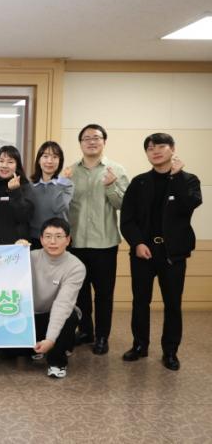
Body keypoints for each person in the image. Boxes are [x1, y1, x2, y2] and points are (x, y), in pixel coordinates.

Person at [120, 133, 202, 371]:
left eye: (161, 146)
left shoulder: (188, 180)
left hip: (173, 253)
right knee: (140, 302)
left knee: (173, 304)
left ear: (172, 149)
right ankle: (139, 345)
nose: (155, 151)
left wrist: (176, 176)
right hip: (143, 251)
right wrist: (137, 243)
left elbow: (189, 205)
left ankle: (170, 351)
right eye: (150, 148)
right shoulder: (139, 182)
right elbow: (127, 219)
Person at [69, 124, 128, 355]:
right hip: (76, 243)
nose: (91, 141)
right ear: (80, 143)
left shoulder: (116, 170)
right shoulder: (70, 171)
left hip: (104, 244)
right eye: (86, 138)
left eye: (96, 137)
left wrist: (111, 186)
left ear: (104, 141)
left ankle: (102, 337)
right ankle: (86, 331)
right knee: (80, 292)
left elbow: (123, 205)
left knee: (104, 294)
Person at [18, 218, 86, 378]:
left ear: (68, 240)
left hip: (56, 314)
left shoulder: (76, 267)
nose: (53, 241)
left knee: (69, 315)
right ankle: (41, 346)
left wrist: (50, 339)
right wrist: (16, 253)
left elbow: (62, 305)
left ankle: (57, 362)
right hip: (32, 316)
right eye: (48, 236)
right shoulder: (30, 257)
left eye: (58, 236)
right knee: (10, 353)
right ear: (41, 239)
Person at [0, 145, 34, 245]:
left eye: (10, 162)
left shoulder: (25, 186)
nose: (4, 165)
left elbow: (24, 217)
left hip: (17, 245)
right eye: (1, 161)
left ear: (17, 165)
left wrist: (15, 191)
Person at [28, 141, 74, 249]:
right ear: (39, 160)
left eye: (55, 157)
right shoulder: (30, 185)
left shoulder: (67, 184)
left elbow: (58, 207)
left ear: (60, 161)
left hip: (59, 239)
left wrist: (61, 183)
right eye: (45, 156)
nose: (49, 161)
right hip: (34, 238)